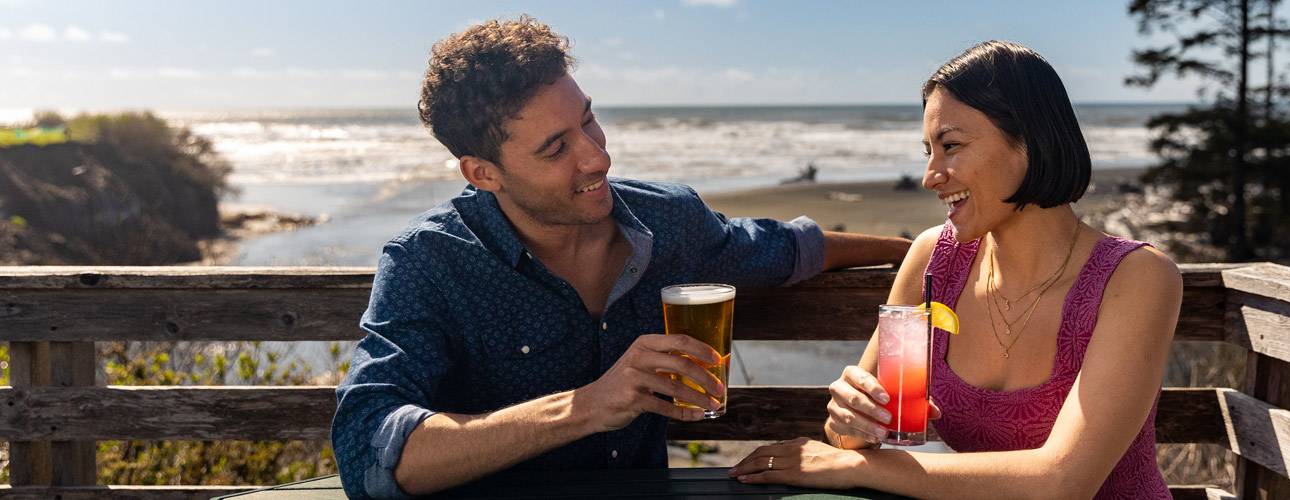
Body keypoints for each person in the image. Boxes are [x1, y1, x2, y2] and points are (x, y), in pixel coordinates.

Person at [330, 16, 912, 499]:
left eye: (587, 120)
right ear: (483, 173)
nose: (596, 158)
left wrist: (921, 249)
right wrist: (585, 407)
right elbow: (369, 451)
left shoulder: (669, 219)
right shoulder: (429, 261)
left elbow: (791, 250)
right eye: (556, 148)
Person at [731, 41, 1183, 499]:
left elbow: (1064, 483)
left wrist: (855, 465)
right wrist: (850, 420)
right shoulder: (935, 260)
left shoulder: (1136, 277)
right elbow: (850, 437)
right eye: (928, 150)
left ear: (1030, 140)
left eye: (950, 146)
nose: (930, 175)